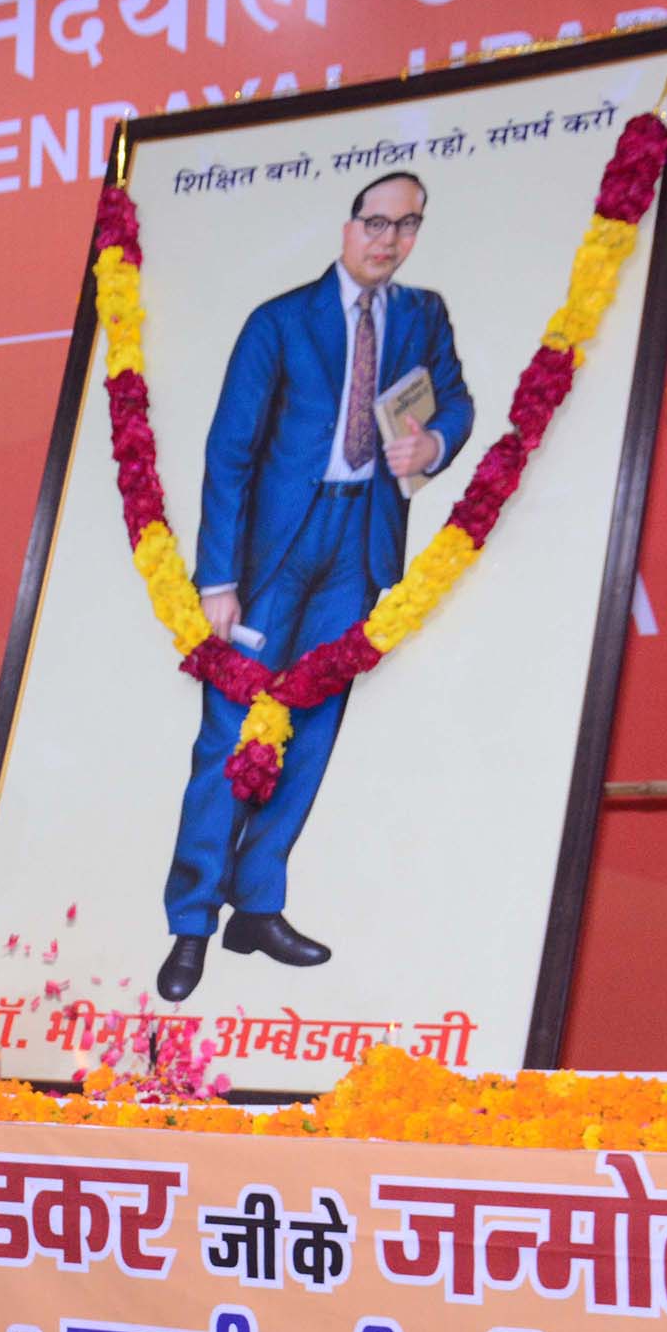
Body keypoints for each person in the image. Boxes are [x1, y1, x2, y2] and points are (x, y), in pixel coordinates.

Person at [157, 172, 474, 1003]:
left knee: (316, 727)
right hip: (271, 554)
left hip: (360, 547)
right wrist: (217, 577)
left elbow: (460, 404)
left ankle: (256, 907)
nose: (389, 239)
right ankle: (191, 921)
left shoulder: (421, 316)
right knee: (230, 738)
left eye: (408, 225)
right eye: (376, 221)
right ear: (346, 227)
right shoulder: (280, 322)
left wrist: (434, 443)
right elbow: (229, 451)